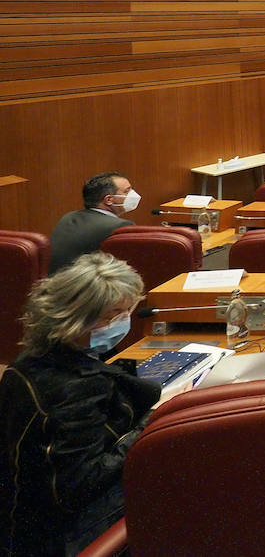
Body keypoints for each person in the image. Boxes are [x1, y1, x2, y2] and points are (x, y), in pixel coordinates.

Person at [0, 253, 161, 556]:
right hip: (61, 534)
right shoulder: (71, 389)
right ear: (74, 316)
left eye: (127, 311)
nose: (122, 322)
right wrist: (152, 422)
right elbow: (82, 485)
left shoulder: (32, 361)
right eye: (112, 315)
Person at [50, 173, 138, 275]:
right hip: (88, 287)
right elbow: (130, 267)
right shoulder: (120, 226)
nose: (133, 194)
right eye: (127, 191)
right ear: (109, 200)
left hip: (58, 284)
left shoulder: (69, 217)